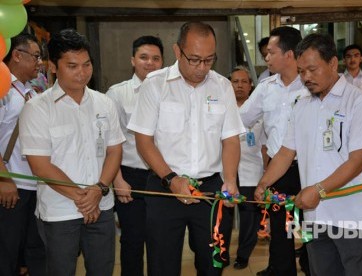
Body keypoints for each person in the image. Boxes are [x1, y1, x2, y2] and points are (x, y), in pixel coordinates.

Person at [127, 21, 244, 276]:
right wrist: (171, 179)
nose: (202, 68)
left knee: (213, 263)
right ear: (177, 51)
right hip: (164, 188)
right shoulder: (155, 85)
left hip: (210, 188)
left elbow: (231, 139)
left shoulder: (222, 86)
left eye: (209, 60)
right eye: (194, 59)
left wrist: (231, 180)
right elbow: (143, 140)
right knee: (162, 264)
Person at [263, 33, 362, 275]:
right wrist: (264, 183)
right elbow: (286, 152)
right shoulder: (302, 105)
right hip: (316, 216)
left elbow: (357, 162)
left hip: (353, 216)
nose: (306, 77)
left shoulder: (358, 103)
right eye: (301, 71)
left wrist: (318, 190)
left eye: (312, 70)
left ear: (333, 63)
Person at [19, 29, 125, 276]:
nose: (82, 72)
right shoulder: (37, 109)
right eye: (72, 66)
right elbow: (40, 165)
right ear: (53, 66)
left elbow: (114, 150)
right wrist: (83, 199)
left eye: (87, 64)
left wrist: (99, 190)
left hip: (102, 207)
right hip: (60, 212)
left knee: (102, 269)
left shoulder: (104, 103)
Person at [240, 26, 308, 276]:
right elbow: (242, 118)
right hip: (279, 168)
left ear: (289, 54)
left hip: (310, 167)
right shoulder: (266, 87)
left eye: (271, 52)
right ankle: (282, 269)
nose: (266, 58)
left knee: (310, 223)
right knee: (280, 224)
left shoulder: (311, 85)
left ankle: (313, 266)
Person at [106, 35, 164, 276]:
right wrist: (117, 180)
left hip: (163, 177)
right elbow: (111, 142)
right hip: (131, 177)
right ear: (132, 60)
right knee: (132, 240)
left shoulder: (171, 91)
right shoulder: (117, 94)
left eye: (155, 58)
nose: (149, 63)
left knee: (161, 241)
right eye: (143, 57)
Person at [0, 33, 46, 276]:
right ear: (17, 55)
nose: (40, 63)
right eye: (36, 56)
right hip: (11, 186)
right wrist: (4, 179)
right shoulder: (3, 90)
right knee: (7, 252)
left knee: (34, 250)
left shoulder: (31, 91)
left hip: (33, 186)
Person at [229, 66, 266, 270]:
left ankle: (243, 255)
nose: (240, 86)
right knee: (224, 216)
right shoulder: (223, 109)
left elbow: (265, 146)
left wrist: (266, 174)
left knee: (249, 217)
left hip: (252, 171)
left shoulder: (259, 112)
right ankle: (222, 252)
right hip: (226, 170)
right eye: (235, 82)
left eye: (244, 81)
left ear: (251, 85)